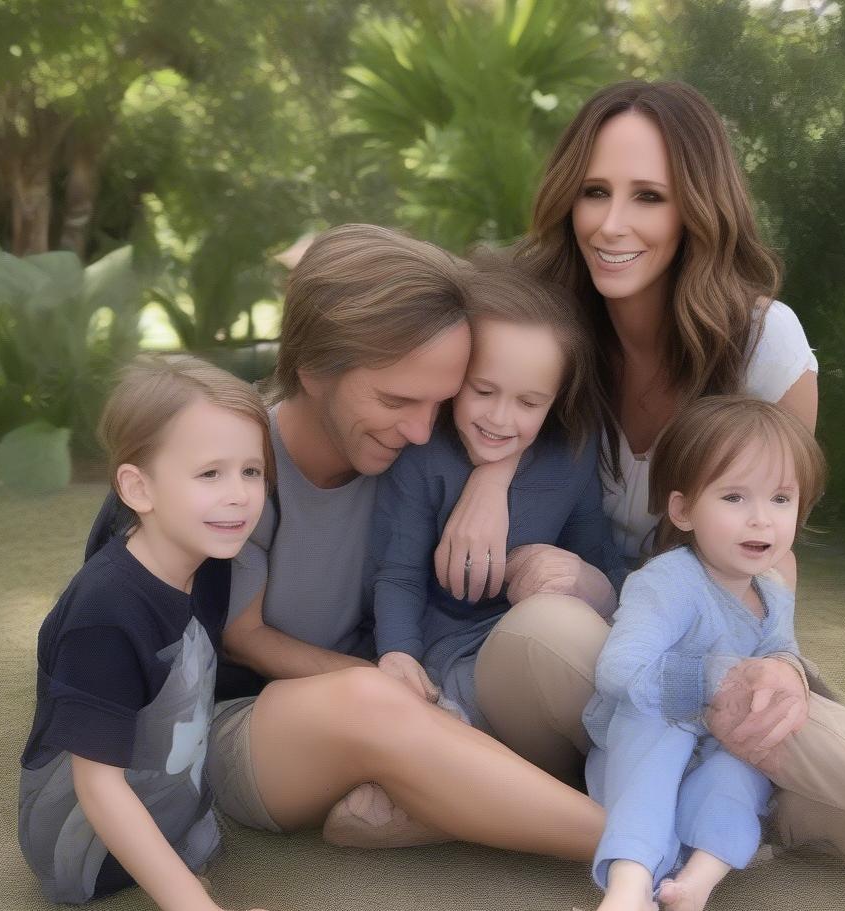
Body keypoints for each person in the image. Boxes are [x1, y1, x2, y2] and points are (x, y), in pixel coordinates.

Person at [438, 80, 845, 871]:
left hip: (701, 645)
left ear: (697, 210)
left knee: (758, 710)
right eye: (594, 193)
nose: (613, 225)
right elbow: (449, 399)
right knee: (549, 629)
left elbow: (768, 538)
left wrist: (779, 660)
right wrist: (490, 476)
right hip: (557, 656)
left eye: (649, 197)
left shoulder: (764, 348)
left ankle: (725, 796)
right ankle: (722, 790)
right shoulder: (538, 325)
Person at [177, 226, 610, 873]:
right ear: (313, 370)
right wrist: (390, 682)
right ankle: (635, 843)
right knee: (373, 703)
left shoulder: (407, 440)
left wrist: (495, 474)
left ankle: (446, 806)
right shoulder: (241, 467)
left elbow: (502, 385)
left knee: (445, 698)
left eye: (436, 402)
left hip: (406, 695)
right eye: (398, 401)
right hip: (253, 718)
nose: (419, 428)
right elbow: (241, 638)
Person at [18, 355, 308, 911]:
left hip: (165, 791)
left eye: (252, 471)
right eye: (210, 474)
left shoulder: (208, 554)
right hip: (81, 838)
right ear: (139, 488)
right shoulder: (107, 611)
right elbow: (97, 788)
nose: (239, 494)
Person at [585, 397, 825, 911]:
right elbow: (619, 669)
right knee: (657, 731)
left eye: (781, 498)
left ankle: (699, 880)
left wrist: (782, 670)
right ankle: (629, 885)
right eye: (735, 497)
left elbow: (781, 649)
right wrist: (721, 677)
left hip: (714, 747)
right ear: (684, 511)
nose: (761, 518)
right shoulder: (667, 581)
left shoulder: (771, 593)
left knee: (742, 772)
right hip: (641, 747)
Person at [372, 257, 622, 731]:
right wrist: (399, 654)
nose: (501, 419)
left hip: (545, 637)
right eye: (483, 390)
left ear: (556, 400)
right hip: (448, 649)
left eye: (529, 403)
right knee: (449, 716)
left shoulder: (571, 453)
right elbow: (398, 574)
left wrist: (596, 587)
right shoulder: (423, 455)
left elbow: (598, 553)